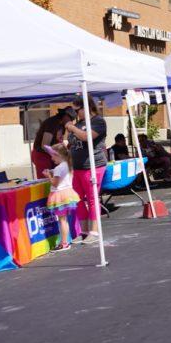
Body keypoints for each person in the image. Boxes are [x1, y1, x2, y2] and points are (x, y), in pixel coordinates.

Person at [63, 97, 107, 244]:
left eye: (77, 110)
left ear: (86, 107)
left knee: (93, 198)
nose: (75, 114)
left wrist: (72, 128)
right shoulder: (79, 123)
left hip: (93, 165)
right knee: (79, 199)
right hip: (77, 166)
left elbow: (87, 137)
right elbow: (72, 141)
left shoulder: (98, 121)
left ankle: (94, 232)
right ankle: (83, 231)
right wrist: (67, 142)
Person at [42, 143, 79, 251]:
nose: (51, 158)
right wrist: (52, 172)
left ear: (58, 155)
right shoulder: (67, 165)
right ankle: (65, 241)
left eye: (52, 156)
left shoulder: (59, 168)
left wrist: (49, 176)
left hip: (60, 195)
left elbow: (55, 183)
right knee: (64, 220)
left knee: (62, 220)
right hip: (67, 193)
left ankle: (64, 243)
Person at [31, 107, 74, 179]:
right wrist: (57, 154)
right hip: (42, 155)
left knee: (57, 177)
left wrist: (64, 151)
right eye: (71, 118)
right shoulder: (52, 123)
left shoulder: (62, 124)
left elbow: (59, 140)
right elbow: (44, 145)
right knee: (45, 180)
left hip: (51, 154)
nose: (71, 121)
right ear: (65, 116)